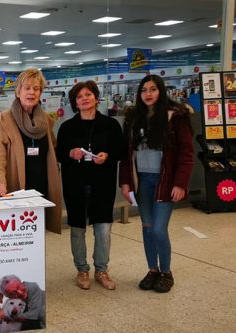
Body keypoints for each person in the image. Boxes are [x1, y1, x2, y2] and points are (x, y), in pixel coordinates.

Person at [119, 74, 194, 293]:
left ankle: (166, 272)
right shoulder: (133, 118)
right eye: (144, 90)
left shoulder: (176, 116)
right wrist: (125, 182)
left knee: (160, 229)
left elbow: (186, 153)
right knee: (148, 228)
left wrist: (180, 183)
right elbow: (126, 154)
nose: (148, 94)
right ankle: (152, 270)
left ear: (161, 91)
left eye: (153, 89)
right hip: (142, 181)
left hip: (165, 181)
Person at [56, 81, 124, 290]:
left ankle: (101, 270)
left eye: (88, 94)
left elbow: (120, 151)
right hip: (75, 184)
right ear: (74, 102)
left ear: (96, 97)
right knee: (77, 229)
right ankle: (82, 270)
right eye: (79, 96)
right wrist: (70, 153)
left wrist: (107, 156)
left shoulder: (110, 125)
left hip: (102, 184)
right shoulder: (67, 127)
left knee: (103, 229)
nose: (84, 99)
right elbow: (58, 154)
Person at [0, 68, 62, 233]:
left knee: (38, 233)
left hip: (42, 185)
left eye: (36, 89)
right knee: (18, 234)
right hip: (17, 185)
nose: (31, 92)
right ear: (18, 91)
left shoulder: (46, 120)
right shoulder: (6, 119)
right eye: (27, 88)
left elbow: (53, 148)